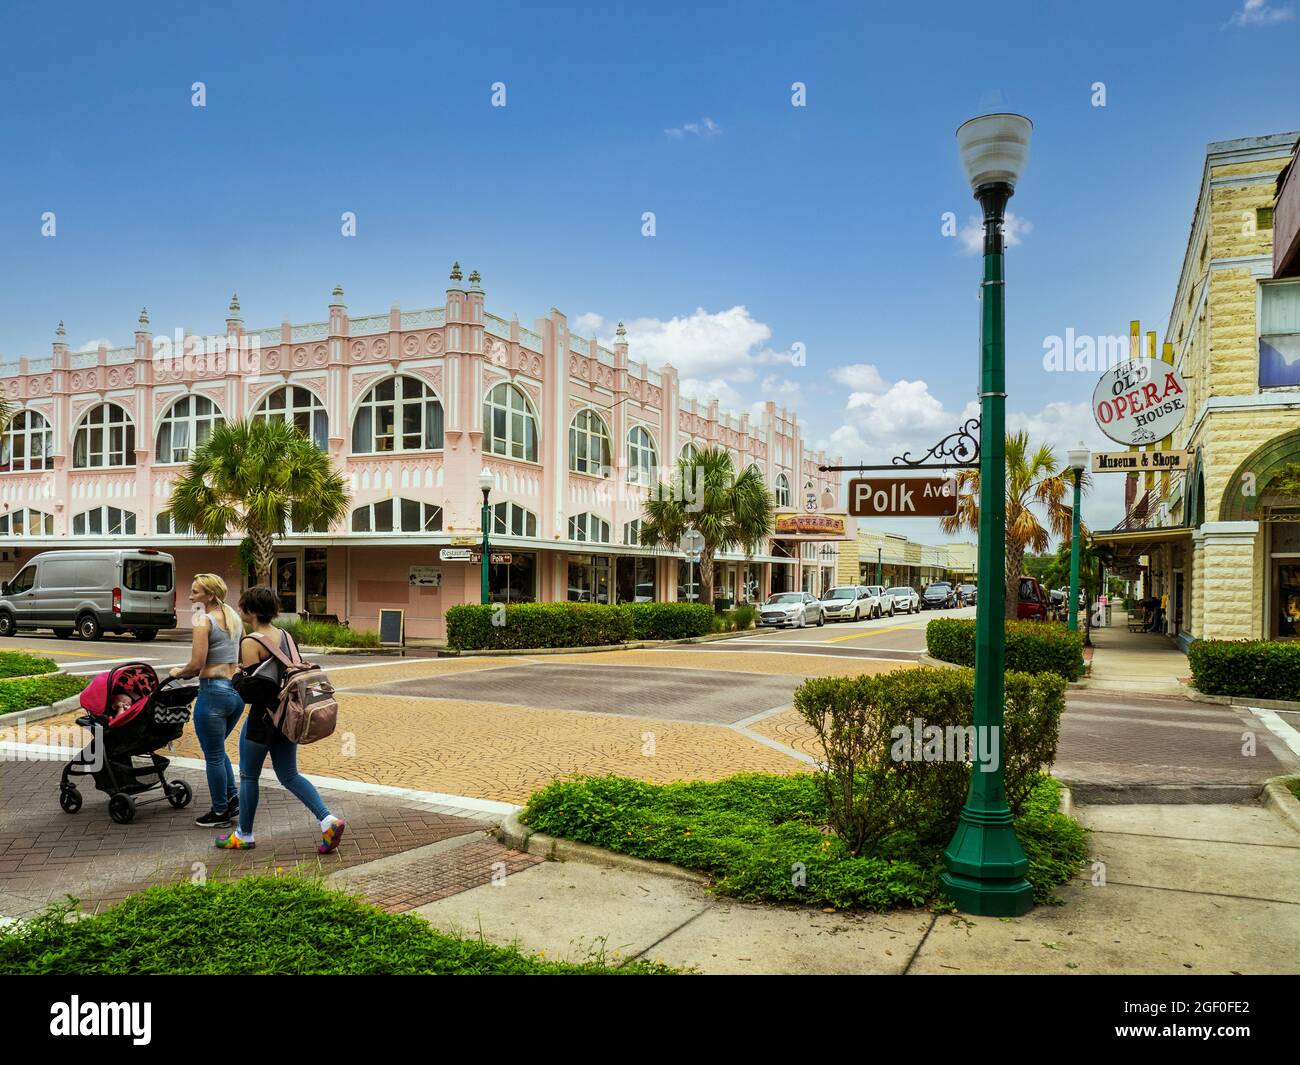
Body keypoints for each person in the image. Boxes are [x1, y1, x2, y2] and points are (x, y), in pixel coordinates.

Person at [215, 585, 345, 853]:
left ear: (250, 610)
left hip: (263, 720)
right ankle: (327, 820)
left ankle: (244, 834)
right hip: (289, 716)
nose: (239, 611)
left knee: (249, 775)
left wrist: (237, 676)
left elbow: (255, 691)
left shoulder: (251, 642)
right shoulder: (285, 635)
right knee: (288, 774)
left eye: (242, 607)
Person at [170, 573, 244, 827]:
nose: (191, 596)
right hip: (235, 693)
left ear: (210, 595)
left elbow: (197, 664)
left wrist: (178, 673)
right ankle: (233, 799)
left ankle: (220, 811)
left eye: (196, 592)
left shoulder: (203, 621)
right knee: (218, 750)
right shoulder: (234, 618)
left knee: (212, 755)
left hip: (213, 692)